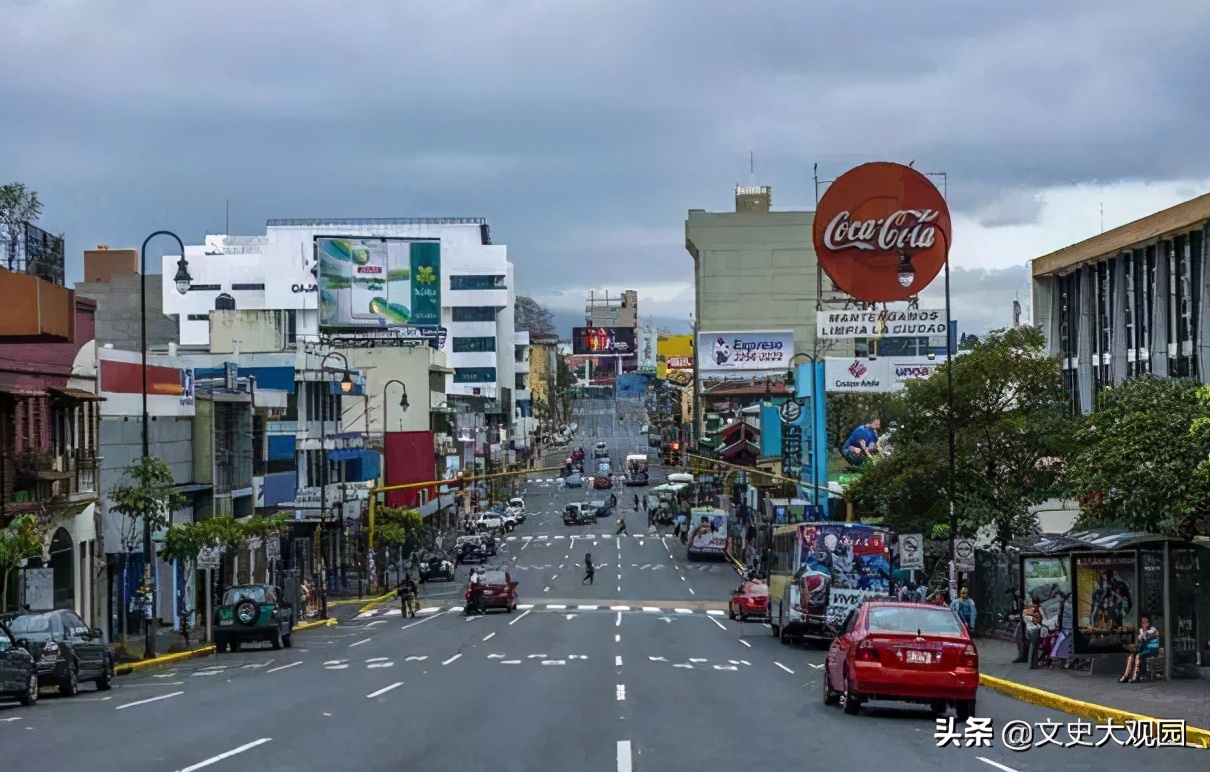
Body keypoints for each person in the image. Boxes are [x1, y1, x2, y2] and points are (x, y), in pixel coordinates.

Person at [1119, 617, 1160, 683]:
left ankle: (1136, 676)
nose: (1144, 624)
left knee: (1138, 656)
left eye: (1146, 622)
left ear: (1148, 623)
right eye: (1143, 622)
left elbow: (1152, 636)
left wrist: (1144, 636)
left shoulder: (1152, 629)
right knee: (1131, 656)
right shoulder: (1140, 631)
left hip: (1151, 649)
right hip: (1144, 649)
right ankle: (1126, 675)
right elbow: (1139, 642)